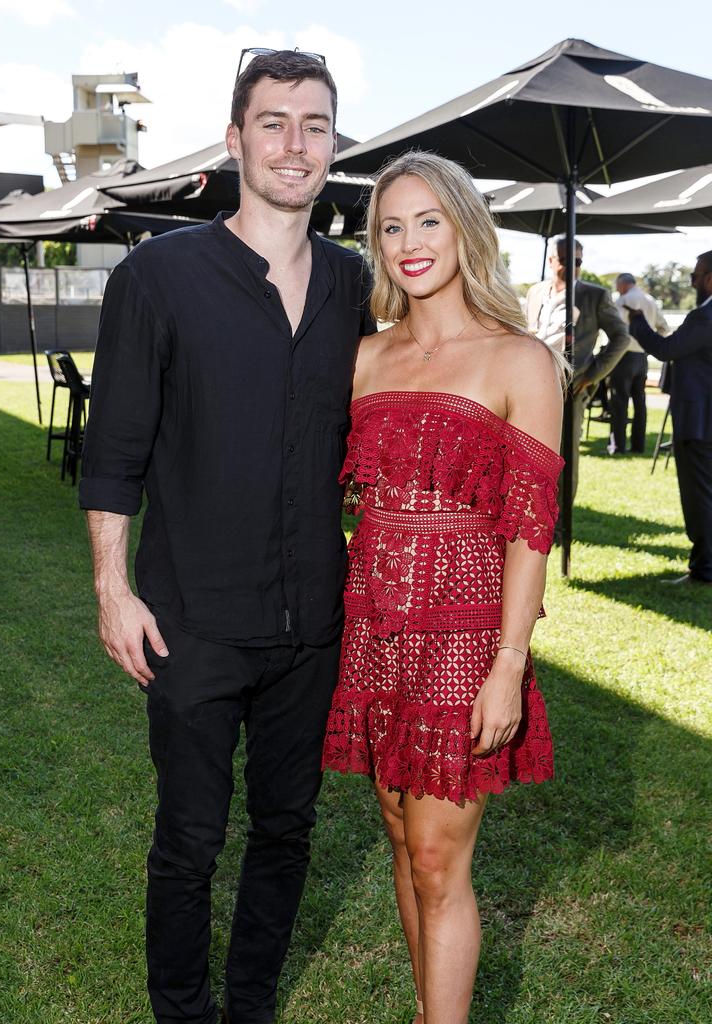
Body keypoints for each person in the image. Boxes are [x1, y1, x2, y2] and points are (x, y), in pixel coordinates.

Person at [79, 49, 375, 1024]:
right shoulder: (161, 277)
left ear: (333, 144)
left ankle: (249, 1003)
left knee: (287, 829)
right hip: (191, 620)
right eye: (276, 122)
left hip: (312, 627)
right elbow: (114, 452)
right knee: (190, 839)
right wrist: (114, 592)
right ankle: (181, 1010)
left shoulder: (356, 287)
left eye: (316, 125)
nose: (297, 144)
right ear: (237, 137)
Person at [321, 152, 565, 1024]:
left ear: (465, 227)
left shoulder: (521, 360)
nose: (410, 243)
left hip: (464, 632)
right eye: (392, 227)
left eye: (428, 221)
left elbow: (532, 526)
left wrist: (509, 661)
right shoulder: (361, 359)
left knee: (436, 854)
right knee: (397, 835)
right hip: (371, 623)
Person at [624, 251, 712, 585]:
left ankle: (703, 568)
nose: (692, 280)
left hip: (699, 424)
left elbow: (667, 349)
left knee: (698, 497)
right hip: (701, 420)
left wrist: (637, 323)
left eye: (697, 274)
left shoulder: (704, 318)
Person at [526, 237, 630, 496]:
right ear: (551, 261)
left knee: (565, 453)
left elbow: (622, 337)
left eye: (578, 261)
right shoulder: (535, 292)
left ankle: (562, 523)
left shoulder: (594, 295)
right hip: (531, 382)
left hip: (570, 386)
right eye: (565, 260)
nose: (573, 266)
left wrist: (594, 374)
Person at [609, 272, 670, 455]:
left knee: (619, 401)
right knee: (639, 402)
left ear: (622, 285)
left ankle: (617, 446)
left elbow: (615, 329)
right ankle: (638, 445)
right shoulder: (650, 300)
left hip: (624, 355)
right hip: (642, 357)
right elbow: (664, 328)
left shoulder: (623, 301)